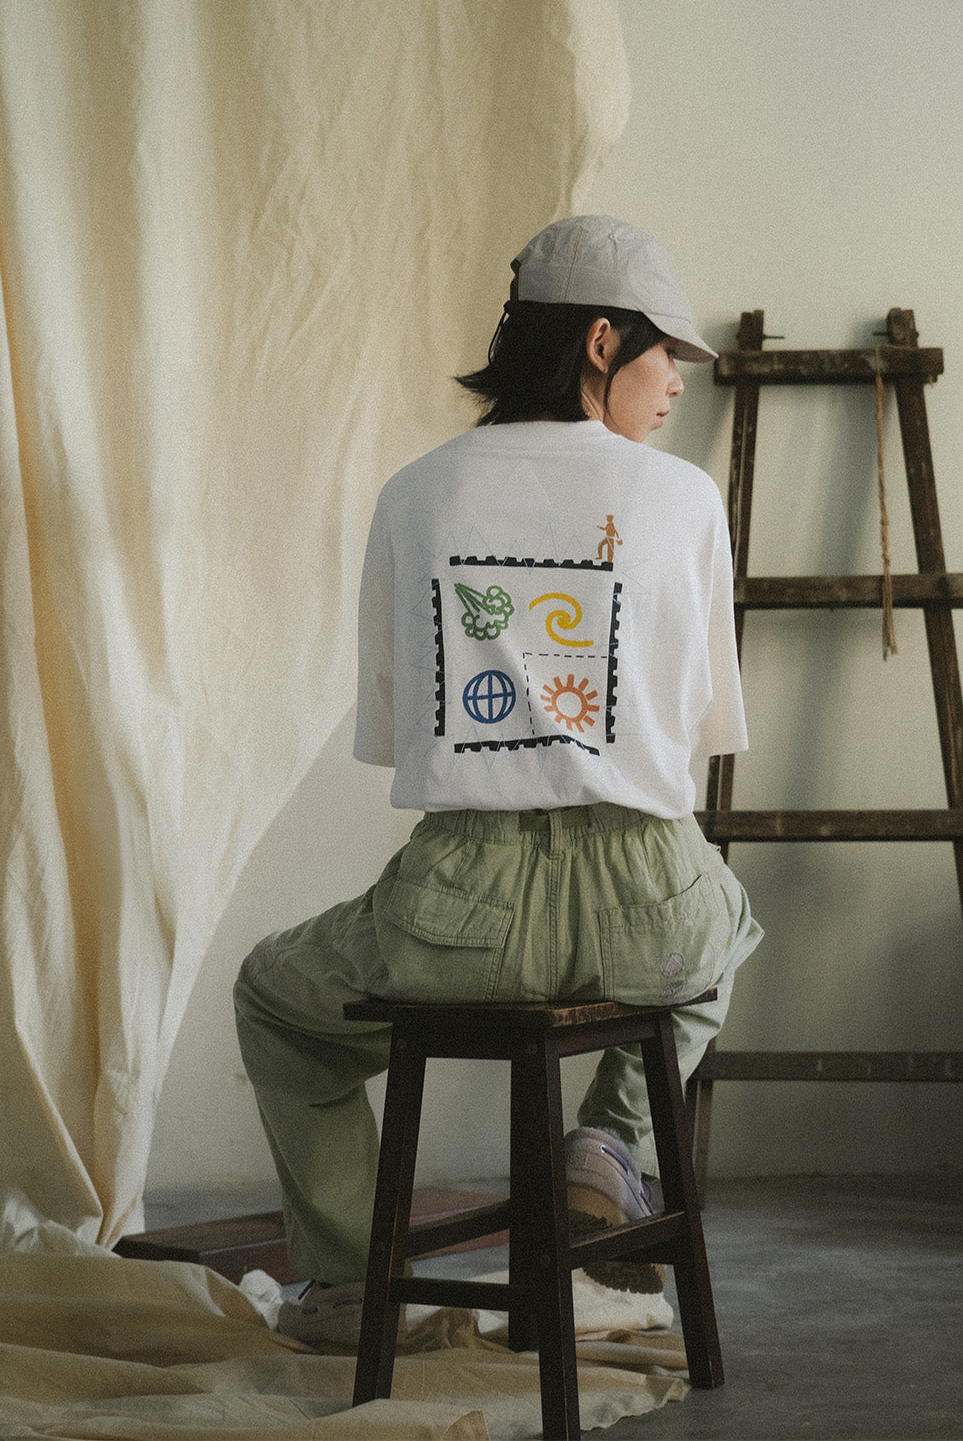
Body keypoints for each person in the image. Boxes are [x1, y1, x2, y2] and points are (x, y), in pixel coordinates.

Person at [234, 215, 763, 1348]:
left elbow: (395, 731)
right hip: (649, 900)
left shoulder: (415, 492)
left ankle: (346, 1284)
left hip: (460, 913)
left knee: (275, 999)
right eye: (668, 352)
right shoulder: (685, 499)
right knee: (726, 932)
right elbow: (702, 729)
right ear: (602, 341)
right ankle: (607, 1142)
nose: (678, 382)